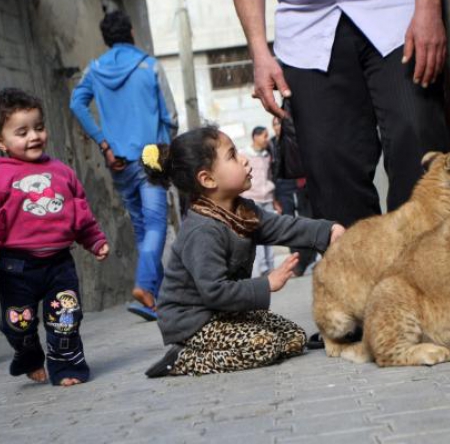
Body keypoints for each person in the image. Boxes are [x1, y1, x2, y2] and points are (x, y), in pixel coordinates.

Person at [229, 0, 450, 227]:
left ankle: (426, 260)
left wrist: (429, 6)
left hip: (395, 5)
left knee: (417, 137)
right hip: (306, 28)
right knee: (328, 166)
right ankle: (360, 265)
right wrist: (258, 52)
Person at [139, 127, 346, 377]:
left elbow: (283, 227)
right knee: (264, 346)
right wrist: (266, 283)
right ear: (207, 179)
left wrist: (327, 231)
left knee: (295, 338)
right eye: (232, 155)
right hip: (194, 323)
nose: (244, 159)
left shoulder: (243, 211)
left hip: (227, 313)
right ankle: (183, 358)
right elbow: (214, 291)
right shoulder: (202, 231)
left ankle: (221, 346)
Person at [0, 89, 109, 386]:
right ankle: (28, 354)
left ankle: (67, 368)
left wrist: (94, 240)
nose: (33, 136)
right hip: (17, 267)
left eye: (38, 127)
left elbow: (80, 213)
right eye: (22, 132)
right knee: (20, 323)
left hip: (59, 264)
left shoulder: (62, 172)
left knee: (65, 319)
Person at [70, 10, 178, 322]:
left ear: (106, 39)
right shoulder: (149, 65)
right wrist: (167, 146)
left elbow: (76, 103)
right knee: (157, 224)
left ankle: (153, 300)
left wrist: (103, 142)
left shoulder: (94, 69)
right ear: (131, 31)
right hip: (152, 155)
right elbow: (169, 115)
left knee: (143, 227)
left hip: (118, 161)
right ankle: (145, 285)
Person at [270, 116, 317, 276]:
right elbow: (271, 171)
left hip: (299, 185)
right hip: (282, 188)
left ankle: (309, 258)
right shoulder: (271, 145)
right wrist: (273, 197)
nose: (278, 127)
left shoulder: (293, 138)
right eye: (275, 124)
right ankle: (296, 259)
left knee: (307, 220)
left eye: (279, 124)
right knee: (288, 223)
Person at [241, 126, 277, 277]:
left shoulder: (267, 155)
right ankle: (263, 268)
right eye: (264, 136)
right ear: (255, 137)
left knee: (270, 233)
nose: (266, 139)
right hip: (252, 199)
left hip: (267, 198)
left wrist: (274, 199)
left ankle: (270, 266)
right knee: (257, 234)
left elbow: (269, 176)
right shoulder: (243, 155)